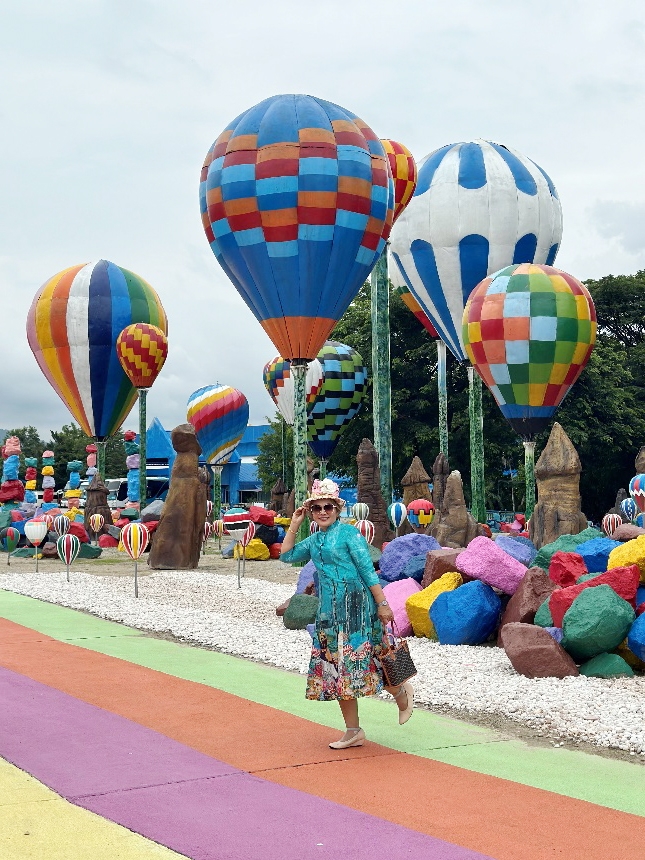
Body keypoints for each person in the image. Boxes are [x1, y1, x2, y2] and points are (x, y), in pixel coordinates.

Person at [281, 478, 414, 749]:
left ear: (338, 508)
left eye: (328, 506)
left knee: (367, 661)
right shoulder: (315, 540)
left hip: (358, 609)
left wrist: (383, 604)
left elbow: (367, 570)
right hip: (329, 612)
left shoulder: (350, 534)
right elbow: (286, 556)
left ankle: (400, 692)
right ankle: (353, 731)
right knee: (337, 669)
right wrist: (294, 525)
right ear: (311, 512)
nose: (323, 512)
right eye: (316, 508)